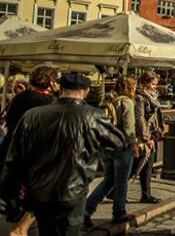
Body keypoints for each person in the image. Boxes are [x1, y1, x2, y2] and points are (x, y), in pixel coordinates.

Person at [0, 73, 125, 236]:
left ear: (61, 89)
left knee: (46, 230)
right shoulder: (92, 116)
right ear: (85, 91)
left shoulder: (33, 115)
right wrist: (92, 154)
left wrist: (9, 195)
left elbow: (13, 158)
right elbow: (117, 143)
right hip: (73, 189)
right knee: (69, 230)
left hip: (40, 191)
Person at [0, 66, 58, 236]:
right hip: (34, 156)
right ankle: (20, 229)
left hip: (11, 150)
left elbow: (8, 122)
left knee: (15, 193)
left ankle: (18, 223)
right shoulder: (48, 103)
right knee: (39, 195)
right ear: (51, 83)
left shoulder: (19, 98)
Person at [84, 76, 138, 226]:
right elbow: (129, 127)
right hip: (122, 147)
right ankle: (119, 212)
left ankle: (87, 210)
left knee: (109, 180)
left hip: (106, 145)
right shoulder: (126, 102)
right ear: (130, 88)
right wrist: (133, 144)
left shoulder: (106, 100)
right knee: (121, 182)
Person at [134, 71, 164, 204]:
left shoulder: (151, 96)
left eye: (155, 84)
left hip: (152, 134)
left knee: (144, 165)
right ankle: (146, 195)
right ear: (144, 83)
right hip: (144, 137)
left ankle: (146, 194)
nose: (154, 87)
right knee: (141, 165)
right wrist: (146, 138)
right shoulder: (140, 97)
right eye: (152, 84)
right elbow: (139, 119)